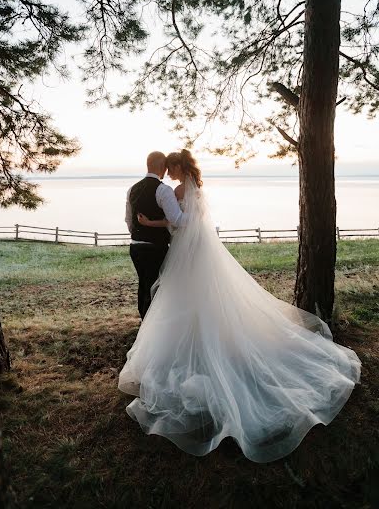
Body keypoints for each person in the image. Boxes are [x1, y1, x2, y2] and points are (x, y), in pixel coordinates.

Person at [119, 149, 361, 463]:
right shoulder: (192, 189)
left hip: (183, 251)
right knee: (196, 298)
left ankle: (192, 341)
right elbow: (190, 220)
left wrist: (152, 221)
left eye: (173, 167)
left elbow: (180, 222)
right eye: (167, 167)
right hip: (195, 250)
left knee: (179, 298)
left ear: (179, 167)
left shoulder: (176, 190)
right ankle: (205, 336)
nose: (170, 172)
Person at [125, 151, 185, 319]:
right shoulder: (163, 190)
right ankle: (152, 325)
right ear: (163, 168)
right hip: (155, 248)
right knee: (156, 287)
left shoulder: (132, 189)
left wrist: (139, 234)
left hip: (135, 246)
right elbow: (177, 220)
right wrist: (197, 217)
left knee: (144, 284)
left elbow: (129, 220)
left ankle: (144, 321)